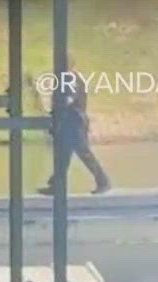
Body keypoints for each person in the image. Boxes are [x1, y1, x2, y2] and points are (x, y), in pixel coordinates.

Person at [38, 64, 111, 195]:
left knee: (81, 153)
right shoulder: (72, 78)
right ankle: (57, 184)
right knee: (63, 154)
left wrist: (57, 110)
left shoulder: (69, 78)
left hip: (73, 121)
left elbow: (68, 99)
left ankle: (103, 181)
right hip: (72, 121)